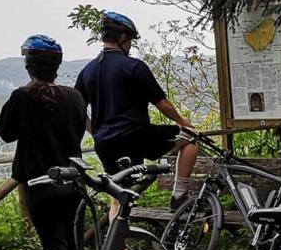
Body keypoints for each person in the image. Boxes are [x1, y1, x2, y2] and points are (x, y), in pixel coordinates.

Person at [74, 11, 199, 210]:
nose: (130, 45)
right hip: (137, 138)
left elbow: (77, 112)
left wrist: (95, 131)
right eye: (130, 40)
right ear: (123, 37)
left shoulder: (87, 71)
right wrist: (183, 122)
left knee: (119, 195)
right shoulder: (133, 66)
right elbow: (162, 103)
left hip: (105, 144)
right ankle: (180, 195)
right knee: (192, 137)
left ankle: (117, 242)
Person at [0, 35, 87, 250]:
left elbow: (5, 133)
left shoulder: (21, 98)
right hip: (73, 183)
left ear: (29, 65)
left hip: (40, 186)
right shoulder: (75, 97)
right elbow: (79, 130)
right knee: (75, 248)